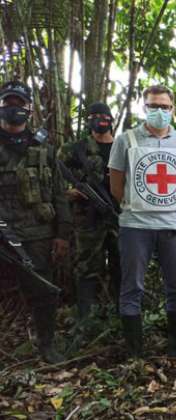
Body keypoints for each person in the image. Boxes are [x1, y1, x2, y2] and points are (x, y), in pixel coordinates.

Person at [108, 85, 176, 358]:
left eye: (165, 106)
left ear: (173, 109)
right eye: (153, 106)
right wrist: (141, 206)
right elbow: (116, 186)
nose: (159, 112)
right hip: (135, 226)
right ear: (144, 108)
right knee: (132, 286)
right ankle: (135, 353)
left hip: (172, 225)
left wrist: (163, 206)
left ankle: (175, 349)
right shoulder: (126, 140)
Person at [0, 80, 72, 362]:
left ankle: (46, 346)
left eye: (20, 104)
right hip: (3, 235)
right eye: (9, 103)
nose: (14, 109)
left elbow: (59, 195)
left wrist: (63, 234)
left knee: (44, 293)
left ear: (29, 109)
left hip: (38, 235)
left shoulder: (44, 150)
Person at [58, 102, 120, 319]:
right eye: (94, 116)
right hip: (87, 219)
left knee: (122, 265)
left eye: (103, 116)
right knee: (87, 269)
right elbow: (54, 181)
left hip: (120, 216)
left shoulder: (123, 147)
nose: (100, 120)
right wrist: (71, 192)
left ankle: (122, 316)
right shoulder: (74, 149)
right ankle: (86, 319)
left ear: (111, 119)